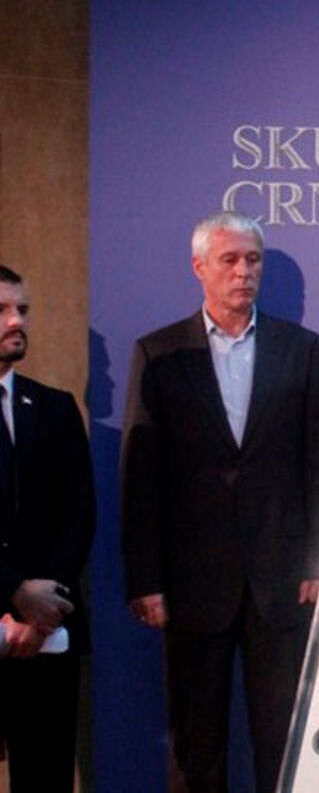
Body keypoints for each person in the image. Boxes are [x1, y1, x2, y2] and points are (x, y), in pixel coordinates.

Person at [121, 212, 319, 793]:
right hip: (192, 581)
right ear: (199, 268)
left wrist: (318, 562)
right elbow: (141, 478)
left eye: (253, 260)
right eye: (230, 260)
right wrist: (146, 580)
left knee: (284, 742)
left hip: (283, 580)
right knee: (197, 744)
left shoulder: (301, 349)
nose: (244, 271)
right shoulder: (159, 352)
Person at [0, 264, 94, 793]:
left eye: (23, 310)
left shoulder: (55, 409)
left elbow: (79, 514)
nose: (17, 321)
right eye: (2, 310)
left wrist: (41, 607)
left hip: (47, 635)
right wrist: (13, 589)